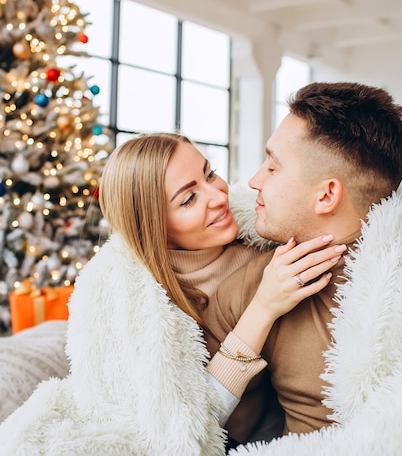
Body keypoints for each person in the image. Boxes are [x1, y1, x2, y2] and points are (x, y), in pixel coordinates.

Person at [0, 132, 344, 455]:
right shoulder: (141, 303)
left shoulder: (267, 243)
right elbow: (177, 429)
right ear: (155, 226)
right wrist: (263, 308)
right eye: (189, 198)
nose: (218, 196)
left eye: (210, 174)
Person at [204, 81, 402, 455]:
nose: (254, 181)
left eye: (272, 167)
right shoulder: (245, 292)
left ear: (326, 195)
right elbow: (215, 432)